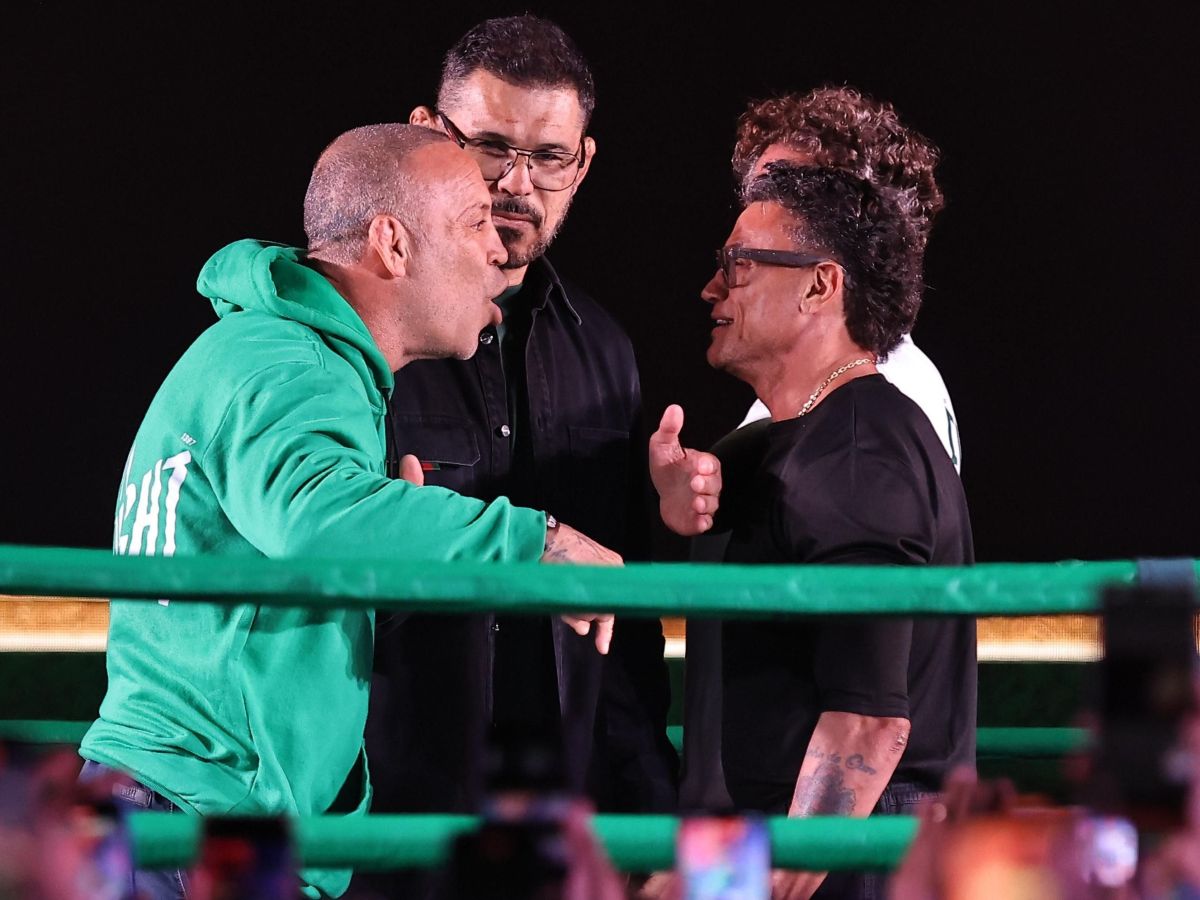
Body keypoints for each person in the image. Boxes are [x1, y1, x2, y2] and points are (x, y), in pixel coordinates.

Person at [78, 123, 621, 900]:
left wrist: (393, 547)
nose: (497, 248)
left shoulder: (270, 352)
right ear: (392, 244)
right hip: (205, 819)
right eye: (473, 221)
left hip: (180, 809)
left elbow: (283, 560)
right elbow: (312, 518)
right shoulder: (290, 362)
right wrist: (537, 543)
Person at [367, 14, 679, 832]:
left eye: (548, 157)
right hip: (381, 814)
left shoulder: (606, 350)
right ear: (427, 133)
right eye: (491, 148)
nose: (517, 184)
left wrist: (649, 806)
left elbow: (625, 617)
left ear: (584, 164)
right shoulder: (355, 338)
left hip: (561, 810)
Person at [680, 162, 976, 900]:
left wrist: (753, 883)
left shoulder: (856, 455)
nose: (712, 288)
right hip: (820, 833)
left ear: (820, 285)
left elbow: (869, 724)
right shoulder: (814, 436)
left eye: (739, 265)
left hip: (846, 847)